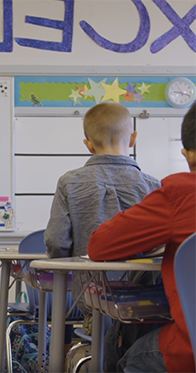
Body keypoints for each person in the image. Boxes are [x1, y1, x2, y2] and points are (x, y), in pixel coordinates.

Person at [43, 102, 161, 366]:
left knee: (97, 320)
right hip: (145, 300)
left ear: (88, 144)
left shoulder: (69, 182)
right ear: (133, 138)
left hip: (91, 296)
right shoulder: (153, 186)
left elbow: (57, 242)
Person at [87, 102, 196, 373]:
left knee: (126, 348)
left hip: (189, 350)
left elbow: (99, 245)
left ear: (187, 155)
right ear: (133, 138)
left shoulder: (179, 194)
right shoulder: (149, 181)